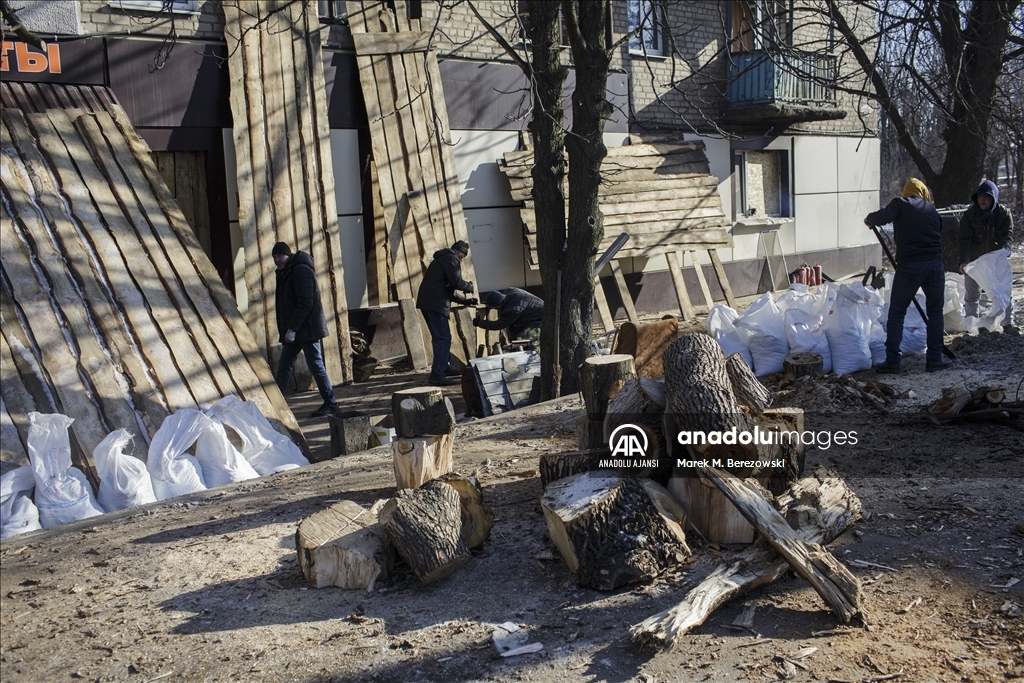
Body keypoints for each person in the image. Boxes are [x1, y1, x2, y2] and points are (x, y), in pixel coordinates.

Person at [864, 178, 951, 373]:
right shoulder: (932, 211)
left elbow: (879, 218)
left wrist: (869, 220)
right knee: (936, 312)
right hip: (935, 266)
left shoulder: (900, 204)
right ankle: (934, 359)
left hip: (910, 266)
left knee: (897, 313)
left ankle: (893, 361)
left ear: (907, 192)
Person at [272, 241, 339, 417]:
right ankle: (275, 403)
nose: (277, 260)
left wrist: (292, 328)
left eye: (280, 256)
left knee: (316, 365)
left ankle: (331, 403)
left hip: (307, 327)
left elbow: (305, 302)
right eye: (274, 257)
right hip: (294, 329)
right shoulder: (284, 272)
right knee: (285, 365)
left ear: (288, 255)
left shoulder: (300, 270)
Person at [416, 241, 478, 386]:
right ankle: (437, 375)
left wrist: (466, 301)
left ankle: (444, 367)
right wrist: (469, 286)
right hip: (436, 304)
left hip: (428, 302)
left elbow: (446, 290)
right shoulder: (451, 259)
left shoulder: (441, 259)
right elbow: (456, 282)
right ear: (458, 252)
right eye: (462, 255)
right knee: (443, 338)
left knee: (439, 338)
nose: (461, 259)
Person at [959, 179, 1014, 326]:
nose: (982, 201)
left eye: (986, 197)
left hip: (995, 261)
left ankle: (1008, 324)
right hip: (974, 261)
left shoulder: (1003, 214)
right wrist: (964, 261)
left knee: (1003, 291)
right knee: (971, 295)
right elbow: (964, 239)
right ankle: (971, 325)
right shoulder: (970, 215)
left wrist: (1004, 252)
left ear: (993, 198)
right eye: (980, 197)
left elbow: (1006, 236)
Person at [473, 288, 544, 346]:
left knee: (520, 340)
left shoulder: (512, 310)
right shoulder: (511, 291)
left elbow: (498, 325)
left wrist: (479, 323)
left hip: (539, 319)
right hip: (537, 309)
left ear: (497, 306)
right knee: (513, 329)